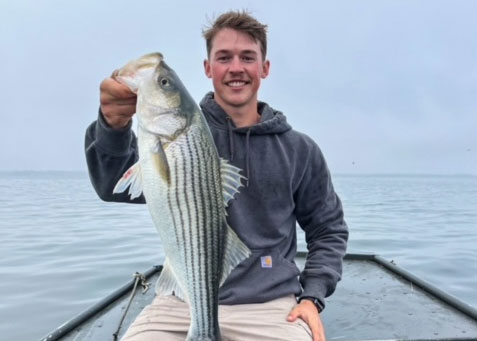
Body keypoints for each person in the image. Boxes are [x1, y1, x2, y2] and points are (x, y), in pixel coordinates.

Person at [85, 10, 348, 341]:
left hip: (270, 305)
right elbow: (112, 186)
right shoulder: (178, 140)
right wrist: (112, 125)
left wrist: (312, 297)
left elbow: (329, 229)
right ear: (208, 68)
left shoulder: (299, 149)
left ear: (264, 68)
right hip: (178, 300)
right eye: (224, 57)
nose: (236, 67)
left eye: (247, 57)